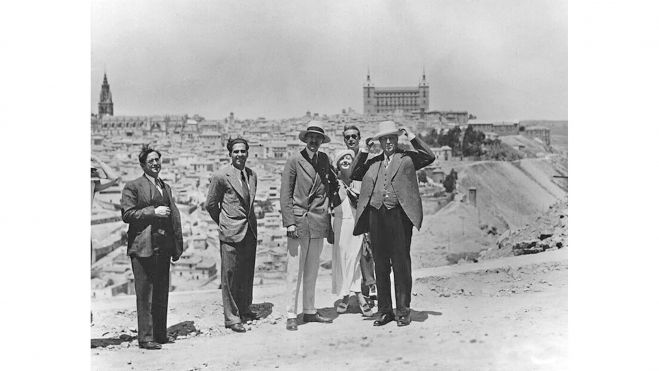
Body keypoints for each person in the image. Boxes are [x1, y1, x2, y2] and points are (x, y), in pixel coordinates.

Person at [351, 121, 435, 327]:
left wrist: (413, 137)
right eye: (384, 139)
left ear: (397, 139)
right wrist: (363, 150)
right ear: (379, 141)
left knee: (401, 264)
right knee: (380, 265)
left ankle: (403, 311)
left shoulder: (406, 157)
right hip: (376, 216)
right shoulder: (373, 162)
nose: (388, 142)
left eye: (392, 138)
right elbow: (353, 173)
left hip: (399, 216)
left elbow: (430, 156)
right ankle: (384, 311)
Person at [120, 145, 183, 350]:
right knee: (145, 293)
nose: (155, 164)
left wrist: (176, 246)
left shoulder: (165, 187)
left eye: (157, 160)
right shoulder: (133, 186)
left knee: (161, 291)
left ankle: (160, 334)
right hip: (142, 246)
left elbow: (173, 216)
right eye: (151, 161)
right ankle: (146, 338)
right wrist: (153, 211)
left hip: (162, 247)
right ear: (143, 165)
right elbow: (127, 214)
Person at [280, 121, 338, 331]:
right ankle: (291, 313)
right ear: (305, 139)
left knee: (312, 269)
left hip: (318, 220)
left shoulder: (324, 159)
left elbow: (332, 183)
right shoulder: (294, 161)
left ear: (322, 141)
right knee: (295, 270)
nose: (314, 141)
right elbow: (285, 194)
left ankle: (310, 310)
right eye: (311, 137)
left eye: (318, 138)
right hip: (299, 220)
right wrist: (289, 222)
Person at [205, 138, 259, 333]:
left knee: (246, 272)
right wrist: (224, 222)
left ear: (247, 153)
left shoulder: (252, 175)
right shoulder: (221, 176)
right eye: (235, 152)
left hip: (249, 230)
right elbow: (211, 204)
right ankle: (232, 317)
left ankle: (244, 308)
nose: (239, 155)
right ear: (230, 154)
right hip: (230, 231)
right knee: (229, 276)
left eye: (243, 151)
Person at [331, 149, 374, 317]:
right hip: (341, 225)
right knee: (343, 260)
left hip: (357, 225)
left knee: (355, 259)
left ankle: (356, 297)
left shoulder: (359, 180)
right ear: (338, 164)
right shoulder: (334, 182)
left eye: (349, 158)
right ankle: (348, 295)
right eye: (342, 159)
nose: (346, 160)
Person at [342, 125, 377, 303]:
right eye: (347, 137)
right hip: (351, 208)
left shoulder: (369, 157)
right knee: (359, 249)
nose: (351, 139)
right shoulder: (344, 158)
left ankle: (372, 288)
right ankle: (367, 287)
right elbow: (348, 177)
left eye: (354, 136)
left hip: (369, 205)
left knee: (371, 246)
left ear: (359, 137)